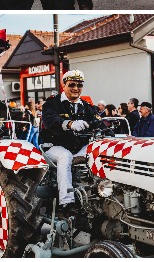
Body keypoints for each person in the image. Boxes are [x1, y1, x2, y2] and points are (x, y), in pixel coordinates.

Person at [40, 70, 100, 215]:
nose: (76, 88)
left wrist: (107, 132)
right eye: (72, 84)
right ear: (64, 85)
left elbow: (99, 122)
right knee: (65, 156)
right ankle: (67, 203)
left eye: (79, 85)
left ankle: (99, 195)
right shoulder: (52, 103)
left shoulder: (86, 106)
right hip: (54, 147)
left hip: (79, 147)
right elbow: (50, 120)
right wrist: (69, 124)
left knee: (100, 150)